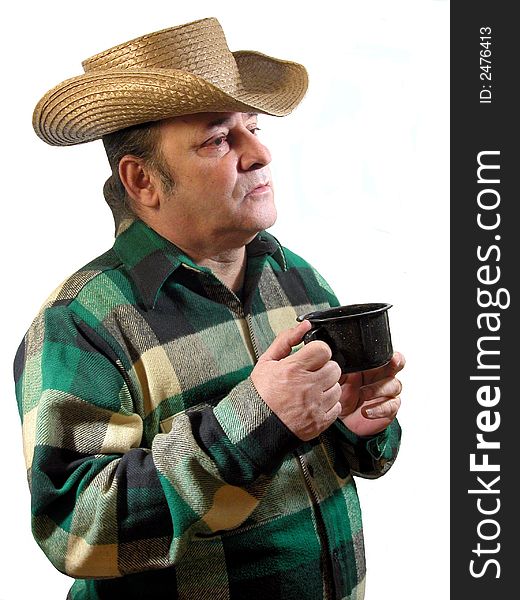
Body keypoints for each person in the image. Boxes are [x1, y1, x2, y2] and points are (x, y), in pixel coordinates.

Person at [14, 17, 404, 600]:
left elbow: (345, 462)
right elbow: (77, 532)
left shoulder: (295, 277)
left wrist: (354, 427)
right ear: (143, 180)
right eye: (219, 139)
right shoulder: (80, 323)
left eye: (252, 126)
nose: (260, 152)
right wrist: (255, 419)